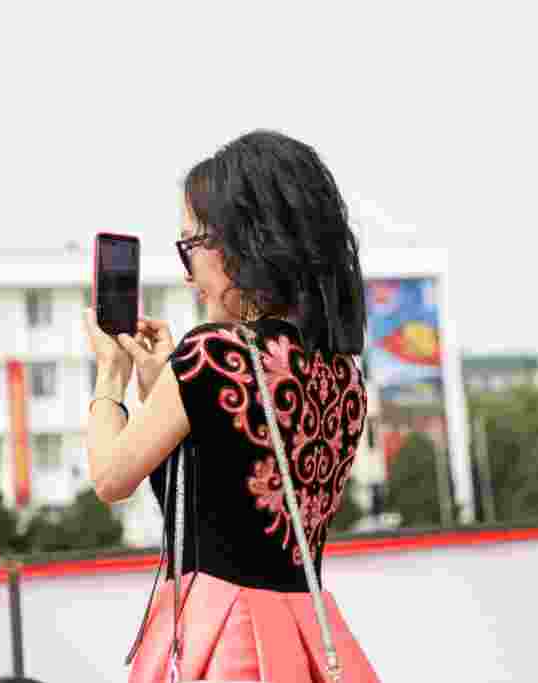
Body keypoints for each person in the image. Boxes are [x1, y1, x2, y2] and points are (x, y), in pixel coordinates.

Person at [83, 130, 380, 682]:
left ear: (247, 241)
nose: (186, 268)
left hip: (223, 635)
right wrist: (162, 383)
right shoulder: (344, 375)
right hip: (308, 632)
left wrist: (109, 374)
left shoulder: (214, 353)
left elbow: (109, 477)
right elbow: (221, 469)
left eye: (191, 245)